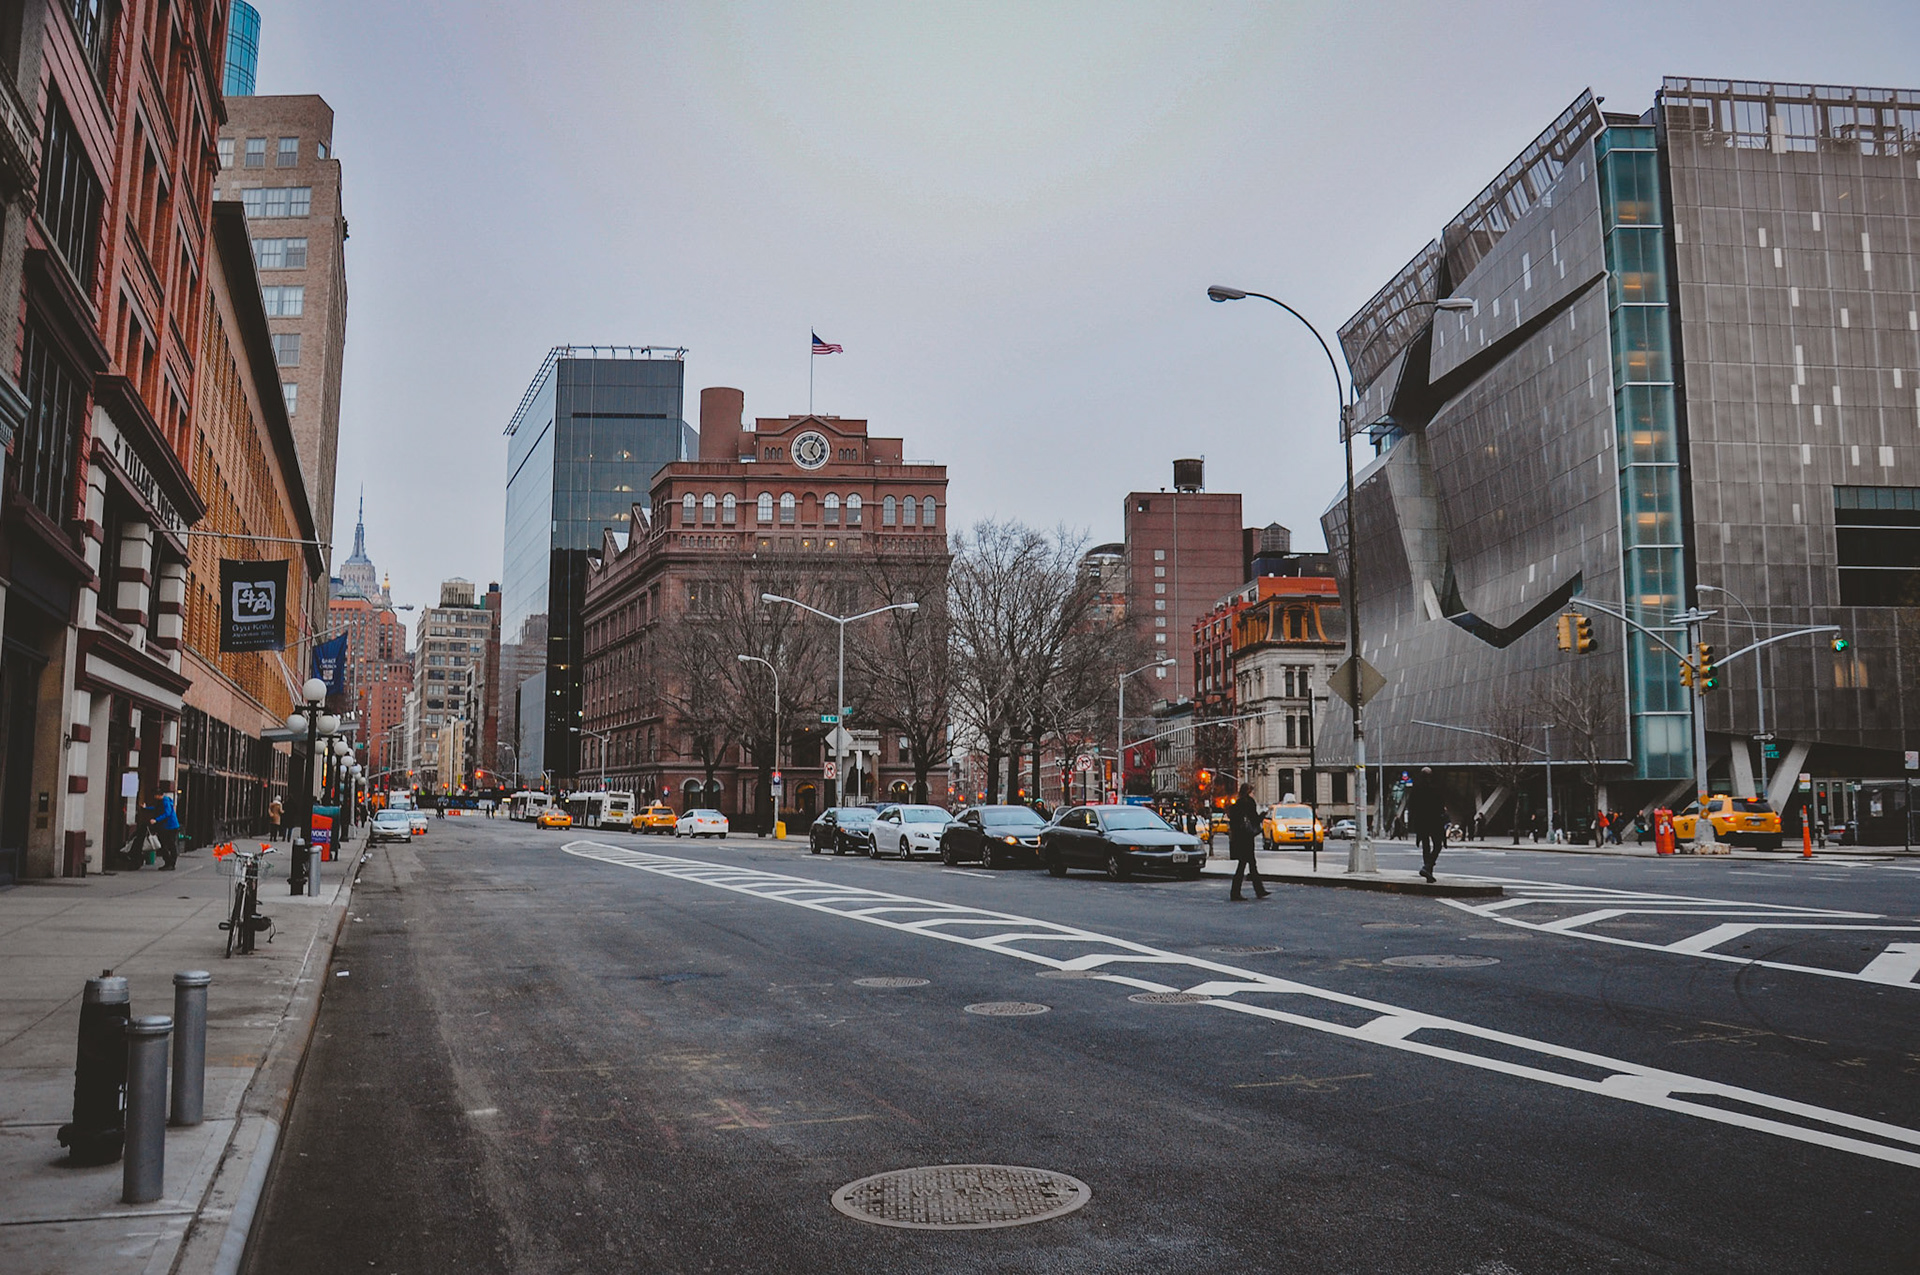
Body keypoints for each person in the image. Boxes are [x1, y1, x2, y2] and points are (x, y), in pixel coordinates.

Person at [1228, 781, 1267, 901]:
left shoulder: (1237, 804)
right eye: (1252, 791)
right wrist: (1263, 814)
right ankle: (1237, 892)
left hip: (1239, 838)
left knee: (1248, 864)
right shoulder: (1249, 803)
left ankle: (1258, 890)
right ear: (1249, 792)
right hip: (1247, 838)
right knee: (1246, 865)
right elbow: (1255, 819)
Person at [1408, 766, 1447, 883]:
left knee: (1425, 846)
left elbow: (1412, 806)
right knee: (1437, 845)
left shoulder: (1417, 788)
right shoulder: (1436, 788)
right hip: (1435, 820)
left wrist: (1412, 821)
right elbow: (1441, 806)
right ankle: (1428, 867)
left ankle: (1427, 869)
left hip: (1422, 821)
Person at [153, 790, 180, 870]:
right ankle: (169, 863)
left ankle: (171, 863)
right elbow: (157, 809)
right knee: (166, 844)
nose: (154, 797)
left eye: (155, 795)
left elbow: (167, 813)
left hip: (170, 826)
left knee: (169, 844)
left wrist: (156, 820)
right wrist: (146, 807)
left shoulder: (165, 801)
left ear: (158, 795)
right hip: (168, 826)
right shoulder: (163, 801)